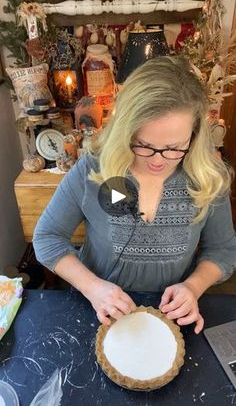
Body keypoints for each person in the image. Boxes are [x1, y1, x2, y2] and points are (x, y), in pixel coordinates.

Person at [33, 56, 236, 334]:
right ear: (124, 130)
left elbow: (223, 251)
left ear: (195, 133)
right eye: (143, 145)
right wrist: (93, 288)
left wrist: (193, 286)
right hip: (97, 309)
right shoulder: (95, 168)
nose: (158, 161)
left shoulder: (208, 177)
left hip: (169, 319)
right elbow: (47, 238)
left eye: (175, 147)